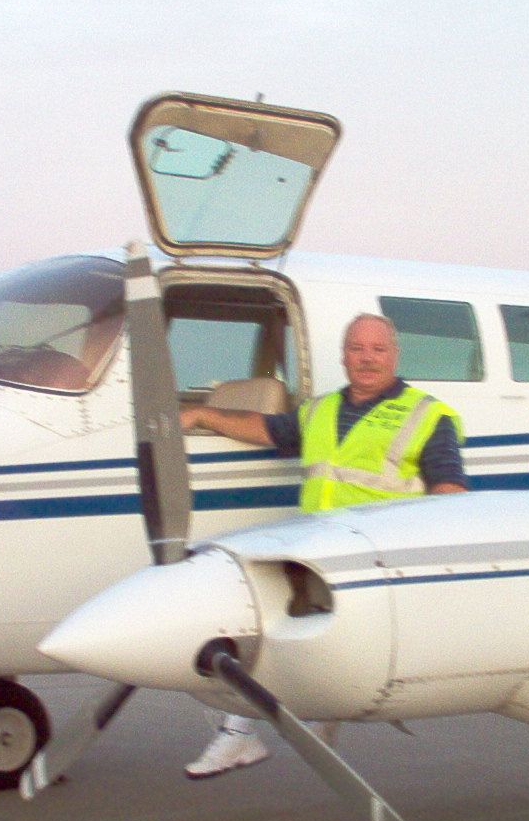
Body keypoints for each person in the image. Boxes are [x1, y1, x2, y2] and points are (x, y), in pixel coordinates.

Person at [176, 312, 467, 777]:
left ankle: (284, 727)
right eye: (357, 349)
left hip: (375, 562)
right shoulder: (320, 410)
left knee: (316, 649)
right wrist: (204, 414)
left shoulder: (427, 415)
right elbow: (268, 429)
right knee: (268, 634)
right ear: (344, 356)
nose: (367, 359)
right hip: (315, 554)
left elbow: (449, 490)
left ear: (394, 355)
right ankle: (243, 736)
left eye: (377, 349)